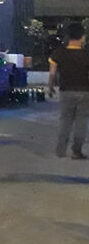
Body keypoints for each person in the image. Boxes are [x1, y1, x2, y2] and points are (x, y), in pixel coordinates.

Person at [48, 22, 89, 159]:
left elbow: (52, 73)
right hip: (84, 91)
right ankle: (76, 151)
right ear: (82, 37)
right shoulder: (86, 54)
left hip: (66, 91)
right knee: (81, 122)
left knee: (65, 121)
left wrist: (50, 87)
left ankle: (61, 150)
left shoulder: (59, 53)